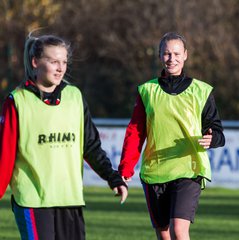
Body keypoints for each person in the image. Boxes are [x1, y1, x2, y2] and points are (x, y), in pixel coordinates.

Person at [0, 33, 128, 240]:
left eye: (64, 62)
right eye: (53, 62)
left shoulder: (74, 96)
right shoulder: (17, 102)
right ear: (35, 62)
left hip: (69, 198)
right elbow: (4, 157)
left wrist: (112, 177)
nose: (60, 68)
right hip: (33, 200)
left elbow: (90, 145)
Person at [118, 32, 225, 240]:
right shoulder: (147, 91)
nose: (171, 58)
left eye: (176, 53)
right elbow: (136, 132)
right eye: (166, 54)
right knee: (164, 235)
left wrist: (213, 138)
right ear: (160, 56)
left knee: (178, 230)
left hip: (189, 169)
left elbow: (217, 130)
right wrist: (126, 167)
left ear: (185, 55)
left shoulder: (201, 91)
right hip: (154, 171)